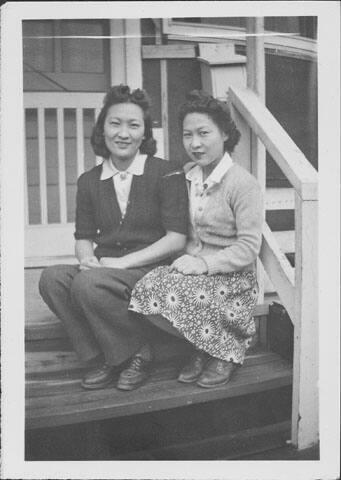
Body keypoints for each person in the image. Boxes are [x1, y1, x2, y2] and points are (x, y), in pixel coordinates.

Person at [39, 85, 188, 391]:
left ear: (144, 134)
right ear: (102, 128)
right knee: (52, 279)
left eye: (133, 125)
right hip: (109, 270)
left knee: (90, 284)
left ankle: (139, 355)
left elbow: (176, 239)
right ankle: (100, 357)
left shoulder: (166, 172)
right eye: (115, 123)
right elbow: (83, 237)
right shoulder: (89, 181)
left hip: (152, 268)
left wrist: (120, 264)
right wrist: (87, 259)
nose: (123, 133)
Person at [129, 89, 264, 389]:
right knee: (145, 290)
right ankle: (207, 344)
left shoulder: (243, 184)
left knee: (166, 290)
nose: (195, 143)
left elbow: (248, 247)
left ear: (226, 133)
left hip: (231, 278)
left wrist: (204, 263)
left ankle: (227, 350)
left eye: (204, 133)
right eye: (187, 135)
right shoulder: (188, 175)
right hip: (193, 273)